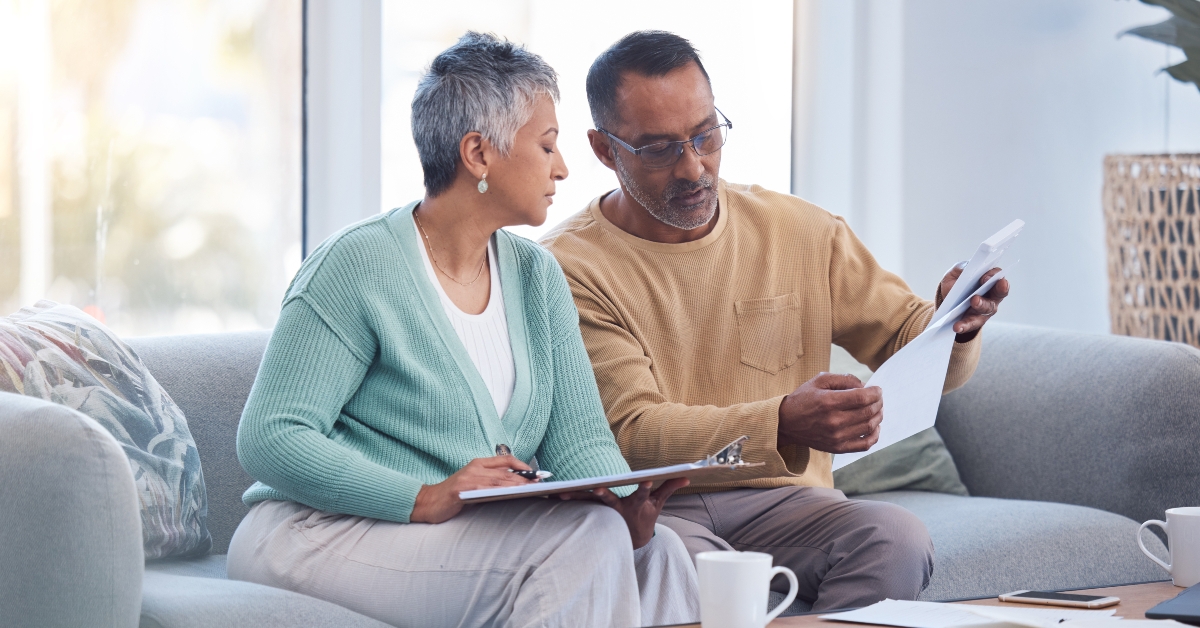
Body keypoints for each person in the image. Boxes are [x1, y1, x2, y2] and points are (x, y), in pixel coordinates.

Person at [226, 32, 700, 628]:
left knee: (660, 556)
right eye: (547, 145)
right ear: (478, 154)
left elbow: (579, 445)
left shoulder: (536, 276)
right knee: (584, 542)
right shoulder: (356, 265)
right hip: (316, 532)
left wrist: (626, 504)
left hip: (458, 535)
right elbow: (271, 436)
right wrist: (425, 496)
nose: (563, 167)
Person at [540, 30, 1010, 611]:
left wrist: (954, 324)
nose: (693, 166)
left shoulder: (802, 231)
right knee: (670, 566)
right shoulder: (568, 267)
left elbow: (907, 340)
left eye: (705, 134)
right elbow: (633, 434)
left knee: (897, 539)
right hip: (662, 507)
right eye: (659, 149)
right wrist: (782, 423)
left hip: (791, 503)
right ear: (605, 149)